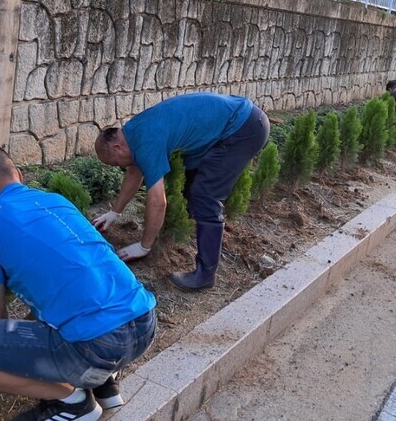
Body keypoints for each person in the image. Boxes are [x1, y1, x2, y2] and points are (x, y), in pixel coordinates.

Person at [0, 145, 157, 421]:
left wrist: (1, 352)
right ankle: (104, 382)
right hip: (145, 323)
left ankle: (72, 402)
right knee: (65, 296)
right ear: (18, 176)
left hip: (97, 346)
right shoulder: (56, 202)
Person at [93, 92, 270, 291]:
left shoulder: (146, 142)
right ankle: (197, 231)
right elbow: (134, 173)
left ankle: (205, 275)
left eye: (115, 163)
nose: (119, 166)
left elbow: (158, 202)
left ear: (117, 147)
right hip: (239, 120)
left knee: (205, 197)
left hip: (242, 128)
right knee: (191, 188)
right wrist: (113, 213)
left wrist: (144, 246)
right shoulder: (134, 131)